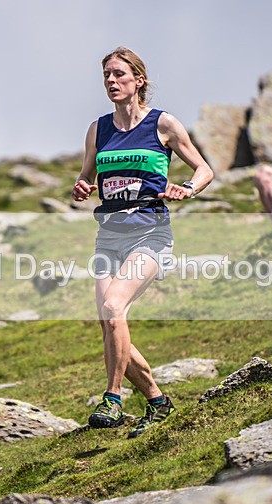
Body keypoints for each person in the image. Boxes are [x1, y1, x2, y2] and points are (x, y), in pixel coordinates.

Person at [71, 47, 213, 438]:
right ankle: (157, 401)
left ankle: (113, 398)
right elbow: (87, 177)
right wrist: (83, 187)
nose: (111, 82)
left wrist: (187, 188)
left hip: (150, 233)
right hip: (109, 237)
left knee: (115, 307)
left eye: (118, 75)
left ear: (139, 80)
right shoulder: (97, 129)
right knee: (110, 323)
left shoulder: (162, 124)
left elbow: (204, 169)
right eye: (106, 76)